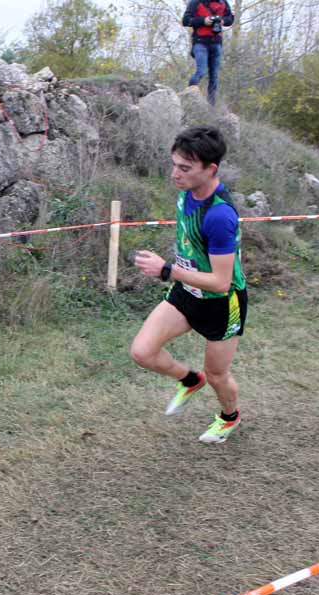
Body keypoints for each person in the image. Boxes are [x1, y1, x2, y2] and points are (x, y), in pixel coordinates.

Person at [130, 126, 246, 444]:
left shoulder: (220, 215)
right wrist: (175, 272)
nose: (174, 174)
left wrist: (167, 270)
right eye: (174, 165)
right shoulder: (187, 193)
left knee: (218, 374)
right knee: (142, 351)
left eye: (184, 168)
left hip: (222, 303)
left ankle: (229, 417)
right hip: (187, 291)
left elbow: (222, 282)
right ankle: (190, 379)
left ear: (211, 169)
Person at [182, 0, 234, 106]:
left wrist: (222, 21)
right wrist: (203, 21)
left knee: (214, 77)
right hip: (200, 42)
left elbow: (230, 19)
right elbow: (186, 20)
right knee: (201, 71)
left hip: (217, 43)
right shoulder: (195, 2)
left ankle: (211, 106)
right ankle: (188, 98)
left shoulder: (223, 2)